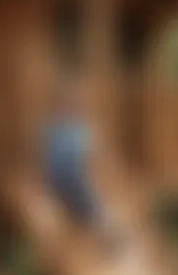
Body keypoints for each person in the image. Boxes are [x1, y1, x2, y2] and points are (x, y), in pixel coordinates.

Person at [43, 79, 121, 254]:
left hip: (61, 186)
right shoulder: (78, 131)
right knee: (95, 207)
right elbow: (94, 161)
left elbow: (47, 166)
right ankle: (108, 239)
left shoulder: (52, 130)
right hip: (72, 185)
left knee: (92, 206)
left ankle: (105, 236)